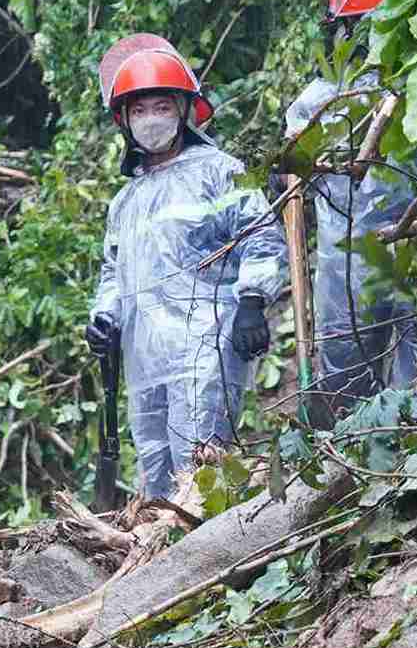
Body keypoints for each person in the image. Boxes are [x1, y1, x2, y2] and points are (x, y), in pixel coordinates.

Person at [86, 39, 287, 499]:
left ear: (183, 112)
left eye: (161, 106)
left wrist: (253, 301)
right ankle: (162, 561)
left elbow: (260, 235)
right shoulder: (126, 201)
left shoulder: (219, 172)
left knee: (201, 467)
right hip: (144, 356)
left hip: (205, 343)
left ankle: (218, 562)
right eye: (139, 110)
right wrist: (103, 318)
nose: (150, 119)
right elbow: (113, 272)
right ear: (125, 121)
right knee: (155, 475)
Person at [284, 0, 417, 422]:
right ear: (339, 32)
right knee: (346, 384)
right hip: (347, 266)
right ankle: (350, 466)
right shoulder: (314, 104)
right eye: (357, 26)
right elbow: (294, 183)